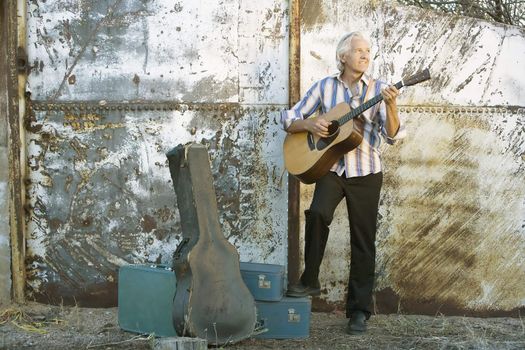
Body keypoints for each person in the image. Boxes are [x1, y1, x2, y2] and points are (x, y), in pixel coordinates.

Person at [280, 32, 406, 335]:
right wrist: (310, 123)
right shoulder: (325, 87)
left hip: (366, 172)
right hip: (333, 169)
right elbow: (288, 117)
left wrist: (391, 106)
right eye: (358, 50)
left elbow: (393, 135)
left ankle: (359, 311)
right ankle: (310, 279)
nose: (365, 55)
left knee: (363, 241)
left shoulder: (378, 90)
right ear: (343, 57)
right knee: (318, 213)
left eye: (367, 51)